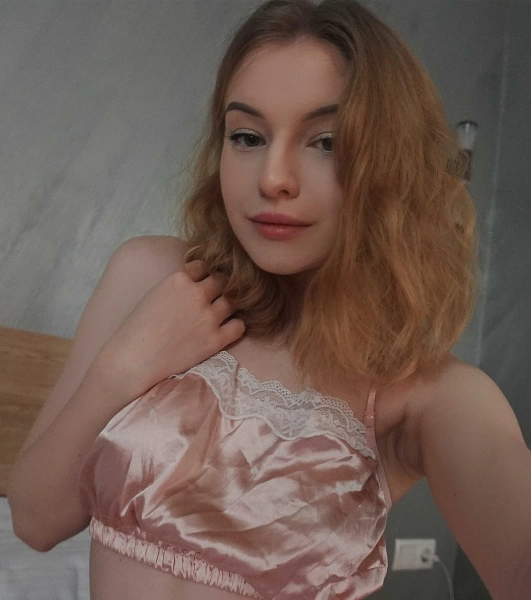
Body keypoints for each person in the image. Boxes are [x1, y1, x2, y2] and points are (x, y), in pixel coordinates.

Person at [7, 0, 531, 599]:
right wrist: (126, 366)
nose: (272, 178)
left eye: (327, 142)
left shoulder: (423, 393)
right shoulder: (152, 275)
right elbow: (35, 521)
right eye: (248, 136)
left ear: (394, 165)